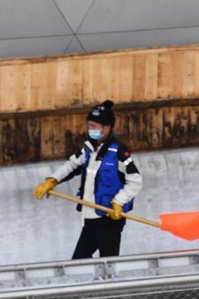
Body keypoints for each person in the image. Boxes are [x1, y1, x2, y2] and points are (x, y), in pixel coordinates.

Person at [33, 100, 143, 259]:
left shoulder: (119, 152)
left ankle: (110, 284)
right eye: (89, 125)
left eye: (94, 126)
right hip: (89, 219)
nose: (90, 129)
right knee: (79, 262)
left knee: (109, 264)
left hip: (109, 219)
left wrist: (119, 202)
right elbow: (71, 166)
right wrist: (52, 180)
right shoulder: (88, 150)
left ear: (107, 127)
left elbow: (135, 181)